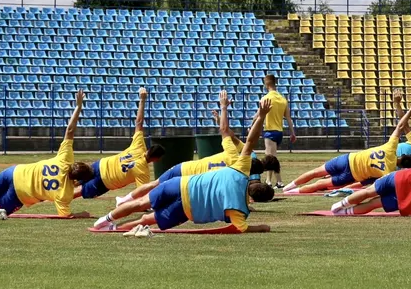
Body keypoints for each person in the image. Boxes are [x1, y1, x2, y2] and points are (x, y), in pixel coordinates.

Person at [92, 98, 275, 234]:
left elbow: (248, 139)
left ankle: (106, 218)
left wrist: (260, 116)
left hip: (183, 181)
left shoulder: (239, 165)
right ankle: (116, 226)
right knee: (148, 218)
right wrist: (262, 227)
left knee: (142, 201)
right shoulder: (240, 210)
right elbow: (241, 227)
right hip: (187, 206)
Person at [116, 91, 268, 205]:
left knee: (156, 185)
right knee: (159, 189)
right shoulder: (237, 176)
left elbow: (225, 130)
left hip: (186, 170)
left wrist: (223, 108)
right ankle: (127, 202)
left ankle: (126, 201)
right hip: (190, 179)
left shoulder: (232, 154)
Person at [0, 91, 94, 218]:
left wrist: (78, 106)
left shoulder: (65, 158)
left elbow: (70, 130)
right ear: (79, 180)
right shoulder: (65, 193)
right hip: (21, 194)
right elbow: (66, 215)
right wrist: (82, 214)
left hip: (15, 172)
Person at [284, 103, 411, 194]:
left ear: (401, 156)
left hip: (348, 159)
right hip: (351, 175)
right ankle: (292, 193)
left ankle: (287, 187)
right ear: (402, 167)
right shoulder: (388, 172)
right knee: (320, 184)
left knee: (315, 172)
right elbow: (373, 185)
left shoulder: (390, 148)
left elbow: (400, 126)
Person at [74, 88, 165, 200]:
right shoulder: (143, 172)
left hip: (101, 165)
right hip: (105, 181)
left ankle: (53, 190)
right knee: (77, 192)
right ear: (156, 159)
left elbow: (139, 122)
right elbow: (142, 193)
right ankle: (57, 199)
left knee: (73, 180)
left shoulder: (139, 146)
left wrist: (142, 99)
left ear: (148, 149)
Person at [261, 74, 295, 190]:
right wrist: (292, 132)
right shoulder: (282, 99)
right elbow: (288, 118)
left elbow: (259, 114)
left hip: (270, 131)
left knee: (271, 158)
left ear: (267, 84)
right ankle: (268, 180)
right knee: (270, 156)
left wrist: (252, 124)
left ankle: (279, 181)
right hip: (279, 132)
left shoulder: (266, 98)